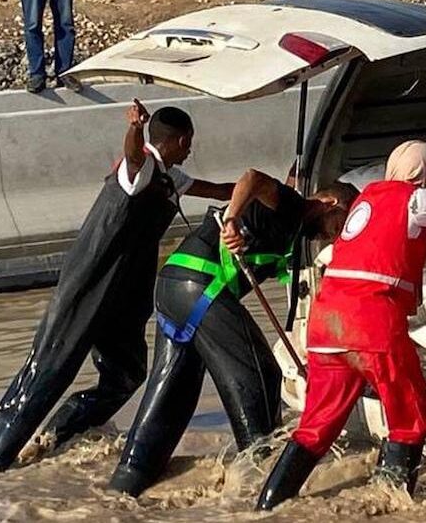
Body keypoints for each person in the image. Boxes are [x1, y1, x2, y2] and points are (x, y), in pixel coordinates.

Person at [0, 100, 233, 473]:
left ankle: (59, 435)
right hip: (90, 284)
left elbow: (221, 190)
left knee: (126, 373)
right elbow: (133, 160)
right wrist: (134, 128)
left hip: (125, 295)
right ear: (181, 139)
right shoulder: (138, 169)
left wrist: (271, 193)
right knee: (48, 368)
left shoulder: (172, 178)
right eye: (189, 143)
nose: (191, 150)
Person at [108, 170, 357, 497]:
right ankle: (259, 481)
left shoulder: (289, 227)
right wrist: (232, 220)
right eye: (339, 225)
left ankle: (127, 482)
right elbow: (252, 178)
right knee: (261, 373)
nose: (335, 237)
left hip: (173, 286)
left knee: (174, 393)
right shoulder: (293, 207)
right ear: (330, 203)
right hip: (199, 285)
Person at [256, 141, 426, 511]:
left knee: (317, 426)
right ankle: (388, 507)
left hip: (326, 324)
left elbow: (416, 252)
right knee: (412, 417)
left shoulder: (366, 203)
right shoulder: (415, 200)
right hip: (371, 325)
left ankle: (266, 507)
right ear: (424, 174)